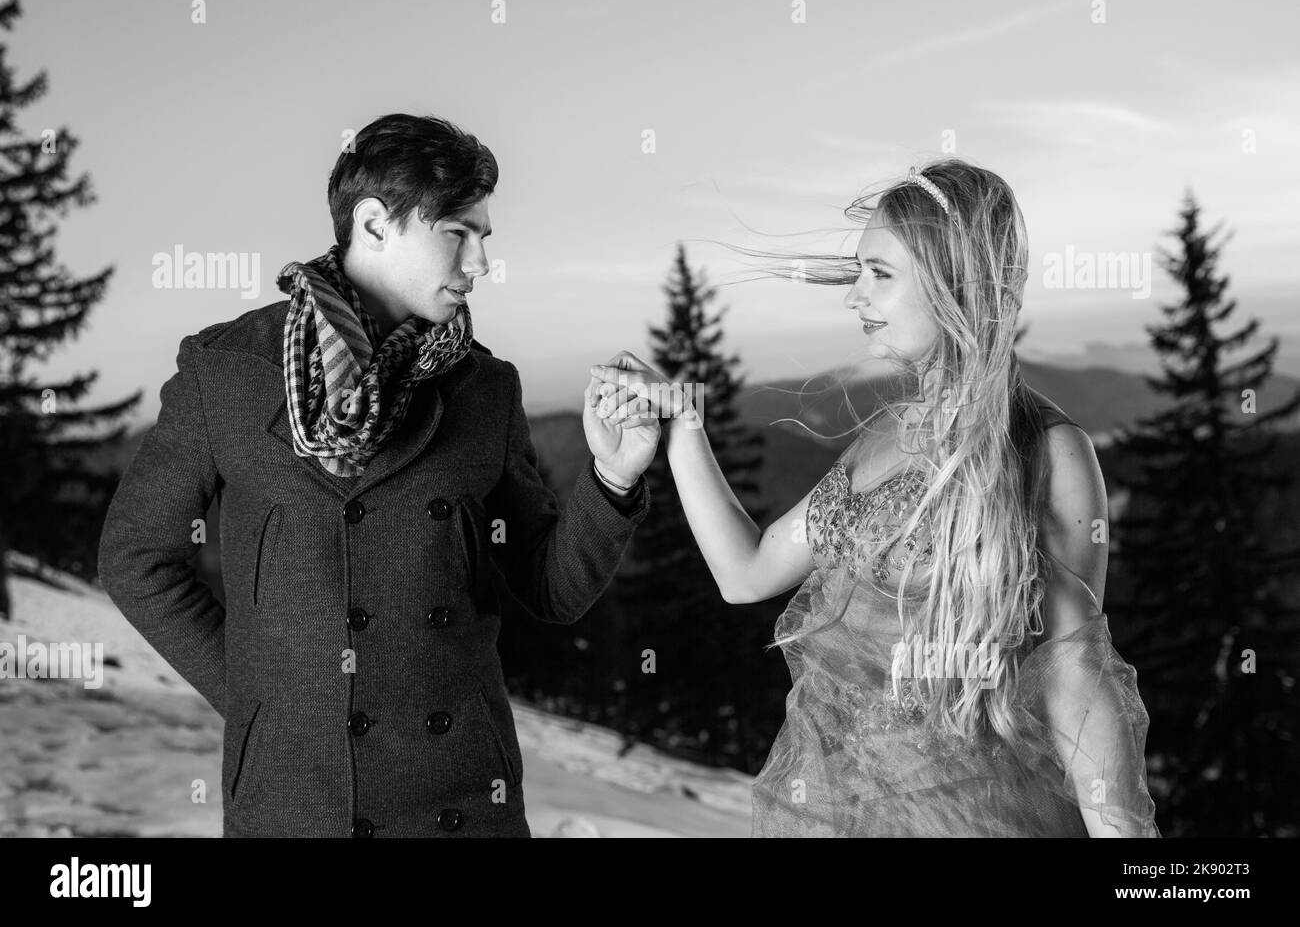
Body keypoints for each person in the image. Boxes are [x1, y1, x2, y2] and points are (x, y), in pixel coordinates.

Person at [98, 113, 657, 837]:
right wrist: (261, 698)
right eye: (458, 232)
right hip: (294, 801)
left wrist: (613, 480)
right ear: (373, 225)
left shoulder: (484, 389)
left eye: (484, 237)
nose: (482, 263)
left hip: (462, 798)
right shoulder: (227, 373)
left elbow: (551, 589)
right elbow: (136, 556)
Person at [589, 158, 1161, 837]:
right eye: (859, 272)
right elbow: (747, 573)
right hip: (837, 812)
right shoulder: (883, 435)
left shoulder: (1046, 450)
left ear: (954, 281)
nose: (854, 297)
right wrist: (682, 425)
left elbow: (1074, 680)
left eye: (880, 275)